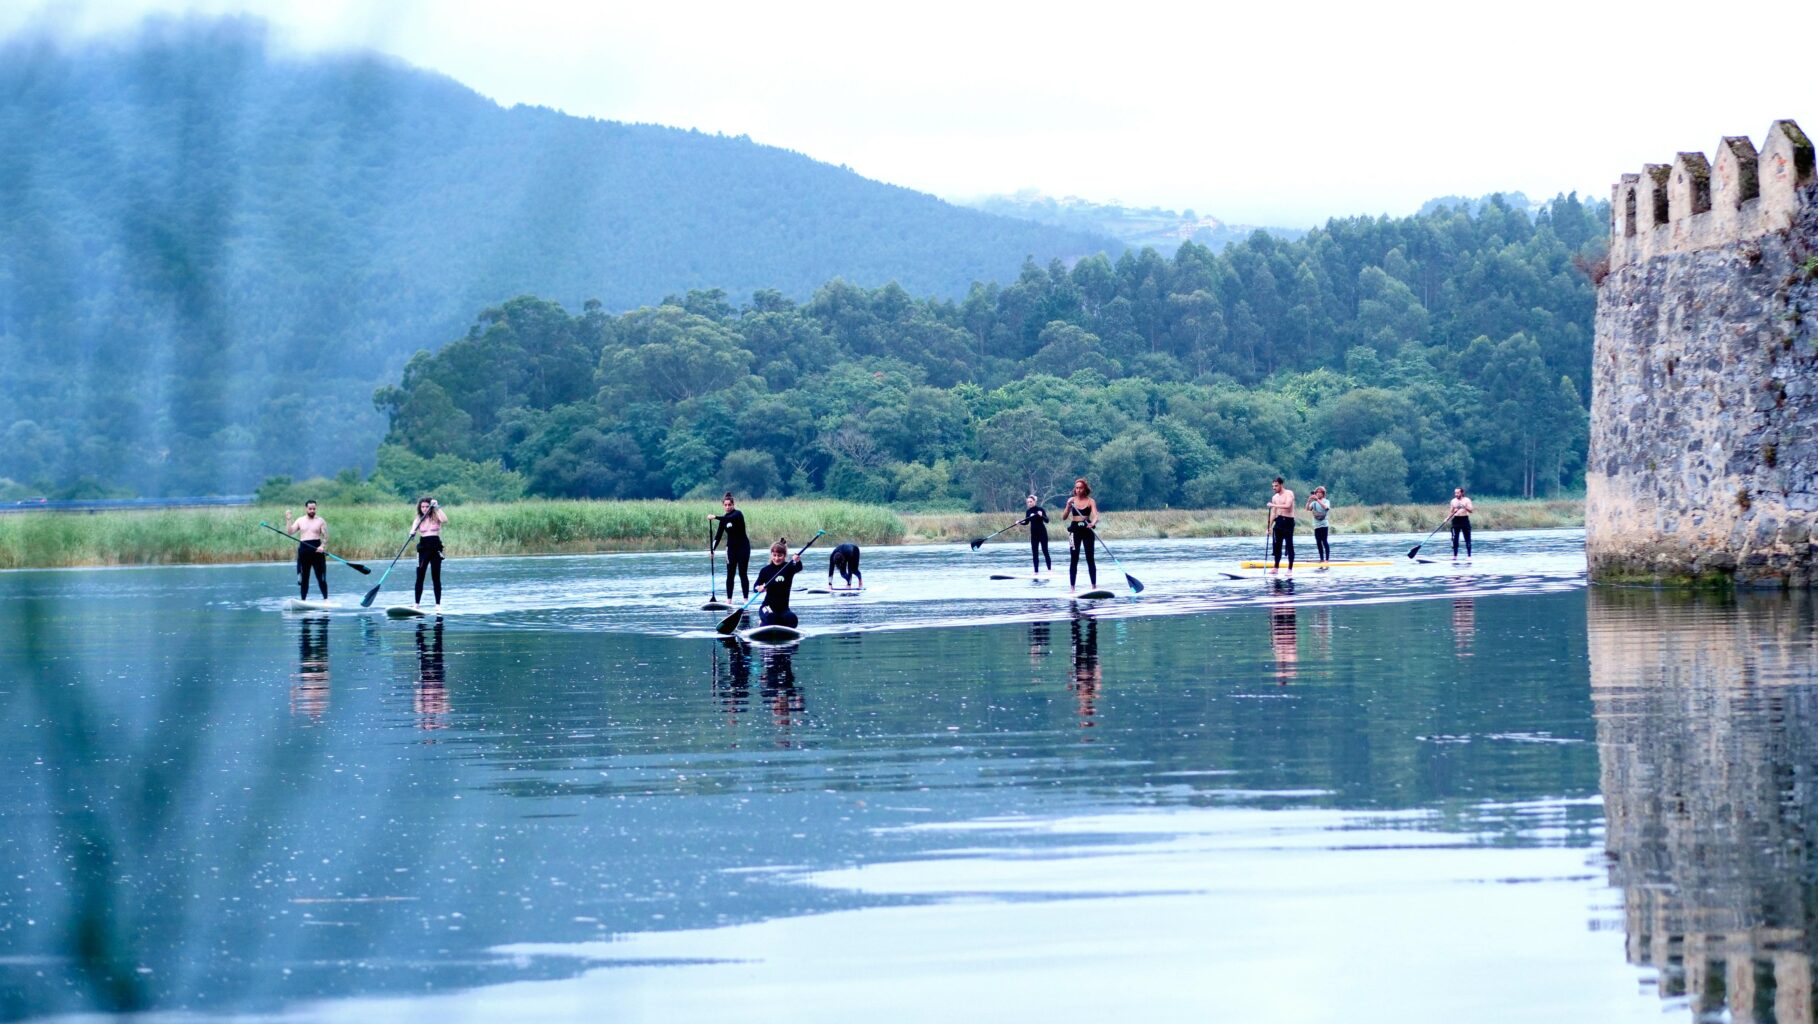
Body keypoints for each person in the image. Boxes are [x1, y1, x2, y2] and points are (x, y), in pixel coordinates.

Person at [708, 492, 751, 602]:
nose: (727, 507)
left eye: (729, 505)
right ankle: (729, 600)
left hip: (743, 547)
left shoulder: (738, 514)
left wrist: (715, 517)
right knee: (730, 574)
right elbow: (717, 537)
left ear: (733, 505)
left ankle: (745, 599)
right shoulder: (723, 520)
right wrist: (712, 550)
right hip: (731, 549)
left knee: (742, 573)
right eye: (725, 505)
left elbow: (730, 518)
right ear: (723, 505)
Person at [754, 537, 804, 628]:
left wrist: (797, 560)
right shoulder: (765, 570)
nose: (776, 558)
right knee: (772, 618)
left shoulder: (788, 567)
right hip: (767, 607)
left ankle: (775, 623)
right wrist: (759, 588)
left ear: (784, 556)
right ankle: (762, 623)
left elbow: (799, 568)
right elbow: (755, 587)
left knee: (792, 620)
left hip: (783, 609)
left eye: (780, 555)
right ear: (771, 555)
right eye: (774, 555)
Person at [285, 500, 329, 600]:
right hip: (304, 551)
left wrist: (322, 546)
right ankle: (303, 600)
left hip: (317, 551)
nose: (312, 510)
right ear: (306, 509)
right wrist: (288, 520)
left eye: (314, 509)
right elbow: (290, 532)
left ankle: (326, 599)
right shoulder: (300, 520)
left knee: (321, 578)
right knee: (304, 579)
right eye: (310, 509)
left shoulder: (320, 521)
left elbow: (326, 536)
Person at [1063, 477, 1099, 591]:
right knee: (1074, 558)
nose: (1078, 490)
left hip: (1087, 530)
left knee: (1090, 558)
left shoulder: (1090, 501)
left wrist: (1092, 523)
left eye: (1080, 488)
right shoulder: (1071, 500)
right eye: (1076, 488)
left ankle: (1093, 586)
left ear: (1085, 489)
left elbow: (1096, 515)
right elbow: (1064, 517)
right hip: (1074, 531)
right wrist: (1068, 506)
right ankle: (1072, 587)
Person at [413, 497, 449, 608]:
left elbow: (444, 520)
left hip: (435, 547)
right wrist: (412, 533)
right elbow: (413, 529)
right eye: (422, 507)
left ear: (431, 506)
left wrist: (436, 506)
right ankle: (416, 604)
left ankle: (437, 605)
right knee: (420, 576)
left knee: (436, 576)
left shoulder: (436, 515)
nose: (424, 509)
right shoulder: (419, 518)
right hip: (423, 548)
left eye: (426, 506)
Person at [1265, 477, 1297, 572]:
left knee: (1289, 544)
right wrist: (1269, 527)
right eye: (1273, 486)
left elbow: (1287, 506)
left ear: (1281, 485)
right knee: (1277, 545)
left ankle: (1290, 569)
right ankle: (1276, 567)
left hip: (1288, 521)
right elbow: (1274, 513)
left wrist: (1273, 505)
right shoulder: (1274, 497)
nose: (1274, 488)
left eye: (1276, 486)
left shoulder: (1289, 493)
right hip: (1278, 521)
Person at [1022, 494, 1052, 574]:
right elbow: (1026, 522)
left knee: (1045, 551)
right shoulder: (1028, 511)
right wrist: (1020, 522)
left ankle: (1049, 570)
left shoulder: (1040, 509)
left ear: (1034, 501)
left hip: (1042, 533)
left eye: (1031, 502)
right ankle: (1036, 572)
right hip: (1034, 535)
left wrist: (1041, 515)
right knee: (1035, 553)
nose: (1029, 503)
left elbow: (1047, 521)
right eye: (1028, 502)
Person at [1306, 486, 1332, 563]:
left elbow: (1325, 508)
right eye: (1317, 492)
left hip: (1324, 525)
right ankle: (1321, 559)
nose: (1318, 494)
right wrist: (1309, 500)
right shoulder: (1314, 503)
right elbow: (1307, 509)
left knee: (1324, 541)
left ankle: (1327, 559)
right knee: (1318, 542)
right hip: (1316, 525)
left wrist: (1317, 500)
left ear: (1323, 493)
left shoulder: (1326, 501)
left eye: (1319, 492)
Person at [1449, 487, 1475, 559]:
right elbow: (1451, 512)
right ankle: (1455, 556)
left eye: (1458, 493)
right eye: (1455, 493)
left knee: (1467, 538)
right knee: (1455, 539)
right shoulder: (1453, 501)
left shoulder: (1467, 500)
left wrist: (1464, 507)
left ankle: (1469, 556)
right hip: (1456, 520)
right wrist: (1447, 518)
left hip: (1464, 519)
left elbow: (1471, 511)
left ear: (1462, 493)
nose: (1456, 494)